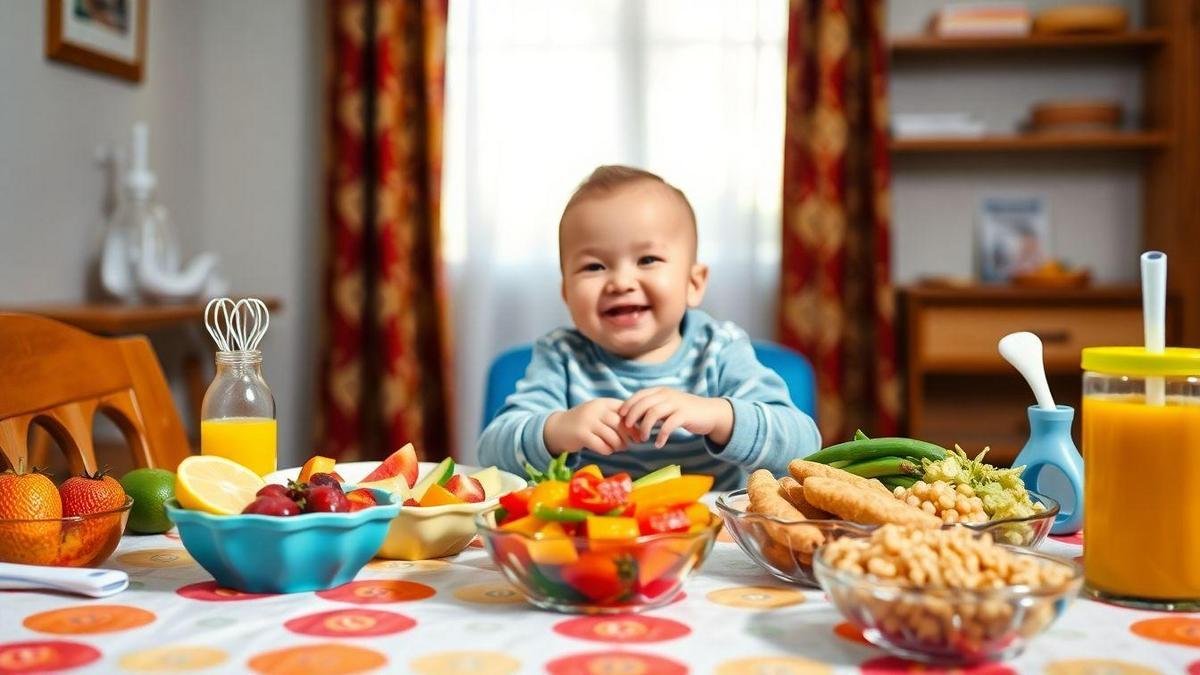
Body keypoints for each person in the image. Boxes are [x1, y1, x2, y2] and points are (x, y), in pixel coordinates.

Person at [476, 165, 820, 489]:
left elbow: (803, 445)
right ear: (567, 292)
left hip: (710, 541)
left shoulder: (718, 349)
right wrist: (556, 429)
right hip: (591, 535)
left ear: (693, 283)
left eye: (647, 260)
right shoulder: (562, 357)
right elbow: (491, 455)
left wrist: (717, 415)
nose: (621, 282)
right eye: (594, 266)